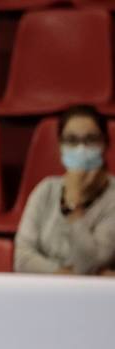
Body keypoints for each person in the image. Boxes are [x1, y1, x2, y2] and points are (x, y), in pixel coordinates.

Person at [14, 105, 115, 275]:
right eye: (71, 140)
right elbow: (22, 259)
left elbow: (88, 264)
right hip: (45, 293)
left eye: (91, 139)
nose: (81, 148)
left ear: (105, 144)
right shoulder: (45, 189)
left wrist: (74, 204)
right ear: (61, 146)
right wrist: (61, 274)